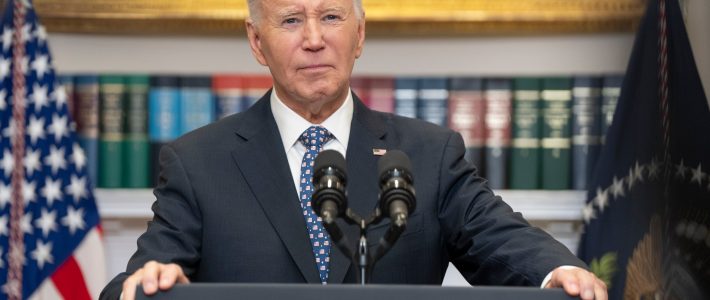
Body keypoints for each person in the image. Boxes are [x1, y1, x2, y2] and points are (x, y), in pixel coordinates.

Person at [100, 0, 608, 299]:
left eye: (332, 16)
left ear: (360, 34)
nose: (315, 39)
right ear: (257, 42)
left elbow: (500, 238)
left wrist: (556, 270)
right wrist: (147, 284)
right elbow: (140, 277)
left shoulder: (428, 154)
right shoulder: (198, 162)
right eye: (292, 20)